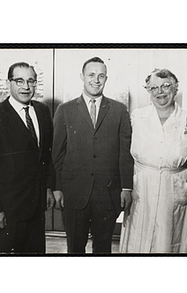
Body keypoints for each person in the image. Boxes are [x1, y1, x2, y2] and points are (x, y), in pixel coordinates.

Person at [52, 57, 133, 254]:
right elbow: (57, 152)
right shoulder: (65, 110)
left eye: (101, 76)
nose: (96, 80)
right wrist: (57, 188)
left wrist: (126, 187)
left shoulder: (119, 110)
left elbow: (125, 152)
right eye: (91, 75)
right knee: (75, 247)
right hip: (74, 193)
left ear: (106, 78)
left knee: (103, 248)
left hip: (107, 194)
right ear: (82, 77)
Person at [0, 62, 55, 254]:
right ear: (8, 83)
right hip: (5, 212)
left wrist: (48, 187)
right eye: (19, 81)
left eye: (31, 81)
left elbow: (45, 156)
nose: (26, 87)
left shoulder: (43, 112)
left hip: (36, 210)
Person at [119, 69, 187, 253]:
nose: (160, 92)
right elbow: (125, 155)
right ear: (148, 90)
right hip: (142, 188)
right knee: (139, 240)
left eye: (165, 86)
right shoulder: (137, 117)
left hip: (174, 189)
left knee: (170, 241)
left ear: (175, 88)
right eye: (154, 87)